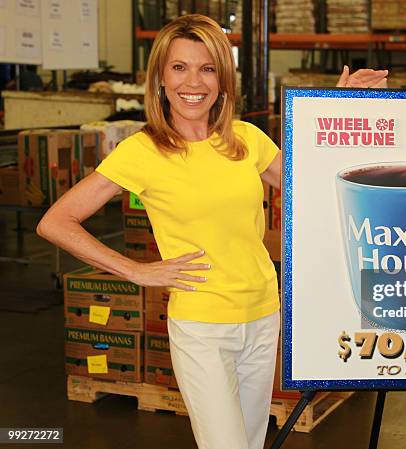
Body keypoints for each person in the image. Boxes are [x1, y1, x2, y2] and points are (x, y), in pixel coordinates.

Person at [37, 14, 387, 449]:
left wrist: (332, 108)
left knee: (252, 441)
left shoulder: (246, 140)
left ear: (223, 80)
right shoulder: (142, 151)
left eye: (207, 68)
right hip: (202, 326)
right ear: (161, 79)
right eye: (179, 67)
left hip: (262, 314)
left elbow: (312, 179)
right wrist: (135, 271)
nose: (194, 82)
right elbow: (56, 221)